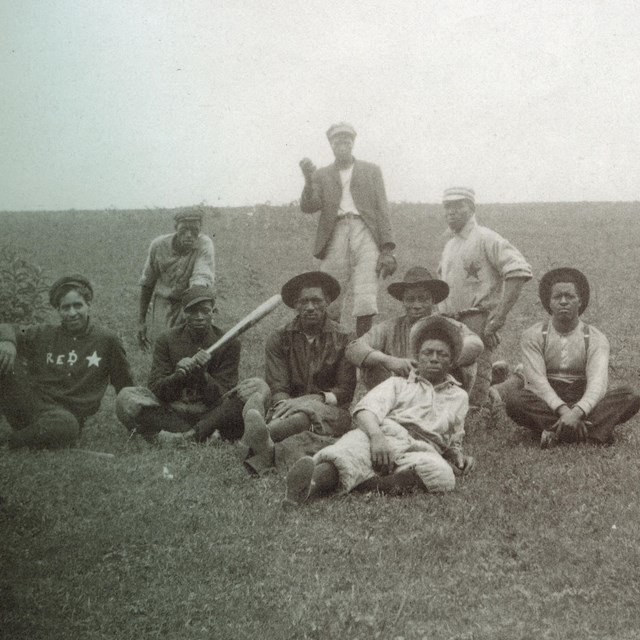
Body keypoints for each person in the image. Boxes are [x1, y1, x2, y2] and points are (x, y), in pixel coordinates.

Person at [284, 316, 475, 505]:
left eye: (442, 354)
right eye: (428, 353)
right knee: (347, 452)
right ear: (417, 356)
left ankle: (367, 485)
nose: (434, 359)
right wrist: (377, 439)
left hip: (421, 448)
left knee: (441, 474)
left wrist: (457, 455)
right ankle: (307, 487)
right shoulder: (398, 383)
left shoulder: (458, 396)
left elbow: (453, 437)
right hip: (384, 433)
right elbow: (365, 411)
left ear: (451, 362)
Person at [234, 271, 357, 475]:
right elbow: (278, 386)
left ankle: (256, 438)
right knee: (266, 394)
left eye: (316, 301)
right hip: (285, 406)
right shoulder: (280, 338)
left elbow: (345, 391)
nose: (310, 307)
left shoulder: (344, 338)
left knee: (304, 416)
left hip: (330, 411)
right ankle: (263, 434)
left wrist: (308, 402)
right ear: (295, 305)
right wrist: (284, 407)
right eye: (304, 302)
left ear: (327, 302)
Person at [505, 268, 640, 447]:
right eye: (557, 297)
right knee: (515, 400)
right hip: (545, 400)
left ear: (580, 301)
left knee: (630, 394)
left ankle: (554, 432)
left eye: (570, 296)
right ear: (549, 302)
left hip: (582, 397)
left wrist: (577, 412)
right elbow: (537, 381)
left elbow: (597, 384)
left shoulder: (595, 337)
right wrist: (563, 411)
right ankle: (592, 433)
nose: (563, 302)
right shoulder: (533, 335)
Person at [0, 275, 134, 449]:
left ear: (89, 306)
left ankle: (10, 442)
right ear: (59, 310)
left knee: (66, 426)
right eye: (65, 307)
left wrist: (139, 422)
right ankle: (30, 436)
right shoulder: (44, 333)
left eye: (77, 305)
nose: (72, 313)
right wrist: (8, 342)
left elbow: (125, 386)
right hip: (31, 404)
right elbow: (9, 328)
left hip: (66, 415)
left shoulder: (107, 340)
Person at [299, 122, 397, 337]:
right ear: (330, 144)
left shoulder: (371, 170)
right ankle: (330, 349)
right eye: (337, 140)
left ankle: (362, 350)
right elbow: (309, 206)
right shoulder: (321, 174)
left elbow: (382, 208)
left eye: (347, 139)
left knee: (366, 293)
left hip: (365, 231)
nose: (342, 144)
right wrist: (308, 179)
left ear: (353, 142)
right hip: (336, 231)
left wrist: (387, 249)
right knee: (330, 290)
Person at [438, 187, 532, 408]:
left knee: (475, 405)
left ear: (471, 207)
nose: (451, 211)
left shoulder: (486, 237)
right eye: (447, 207)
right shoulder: (450, 245)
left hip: (476, 322)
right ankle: (501, 377)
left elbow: (518, 271)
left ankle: (515, 382)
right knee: (451, 392)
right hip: (449, 324)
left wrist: (498, 317)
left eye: (458, 206)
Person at [116, 286, 242, 443]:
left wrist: (203, 376)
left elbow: (224, 394)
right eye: (193, 311)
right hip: (174, 411)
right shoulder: (166, 340)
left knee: (252, 390)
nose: (200, 317)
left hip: (210, 412)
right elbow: (156, 389)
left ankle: (188, 436)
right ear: (184, 312)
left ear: (213, 312)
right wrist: (177, 376)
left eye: (205, 311)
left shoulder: (230, 343)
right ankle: (203, 434)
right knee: (126, 396)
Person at [346, 266, 484, 391]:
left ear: (433, 300)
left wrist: (444, 361)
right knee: (373, 362)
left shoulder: (447, 325)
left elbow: (475, 343)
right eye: (410, 299)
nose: (416, 305)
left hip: (438, 393)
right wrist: (389, 361)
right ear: (403, 302)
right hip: (397, 395)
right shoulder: (390, 327)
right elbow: (354, 348)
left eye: (423, 299)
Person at [137, 208, 215, 350]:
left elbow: (200, 280)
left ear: (200, 229)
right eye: (184, 230)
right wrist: (141, 321)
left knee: (189, 349)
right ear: (175, 228)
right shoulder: (158, 246)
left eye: (194, 230)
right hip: (163, 304)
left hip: (190, 303)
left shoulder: (204, 244)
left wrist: (193, 314)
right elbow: (147, 283)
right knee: (162, 349)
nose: (189, 235)